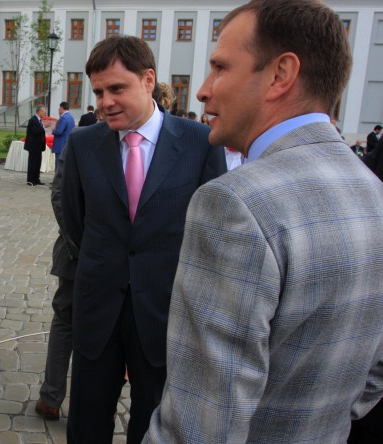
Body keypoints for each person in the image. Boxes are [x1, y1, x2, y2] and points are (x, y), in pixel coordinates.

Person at [144, 1, 383, 442]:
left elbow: (201, 425)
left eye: (220, 67)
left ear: (280, 74)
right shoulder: (373, 191)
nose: (203, 90)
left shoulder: (233, 203)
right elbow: (373, 376)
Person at [60, 35, 226, 444]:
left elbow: (212, 231)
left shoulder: (199, 142)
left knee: (152, 424)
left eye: (117, 89)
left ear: (148, 80)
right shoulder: (83, 144)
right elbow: (75, 221)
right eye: (99, 92)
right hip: (98, 307)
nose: (105, 102)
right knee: (86, 421)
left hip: (165, 311)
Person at [35, 148, 78, 421]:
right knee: (65, 319)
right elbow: (60, 196)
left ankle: (93, 405)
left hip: (115, 260)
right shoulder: (81, 142)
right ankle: (51, 397)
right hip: (77, 255)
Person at [25, 104, 48, 186]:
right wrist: (43, 127)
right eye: (44, 111)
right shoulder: (33, 120)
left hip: (39, 146)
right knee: (32, 163)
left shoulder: (39, 120)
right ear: (39, 111)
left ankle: (36, 179)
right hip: (33, 146)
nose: (45, 113)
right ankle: (30, 180)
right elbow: (35, 131)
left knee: (38, 163)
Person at [52, 102, 75, 170]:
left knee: (59, 165)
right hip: (67, 143)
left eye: (59, 108)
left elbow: (59, 131)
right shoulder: (71, 117)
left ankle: (58, 177)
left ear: (62, 108)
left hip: (60, 144)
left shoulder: (63, 118)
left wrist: (52, 131)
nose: (59, 110)